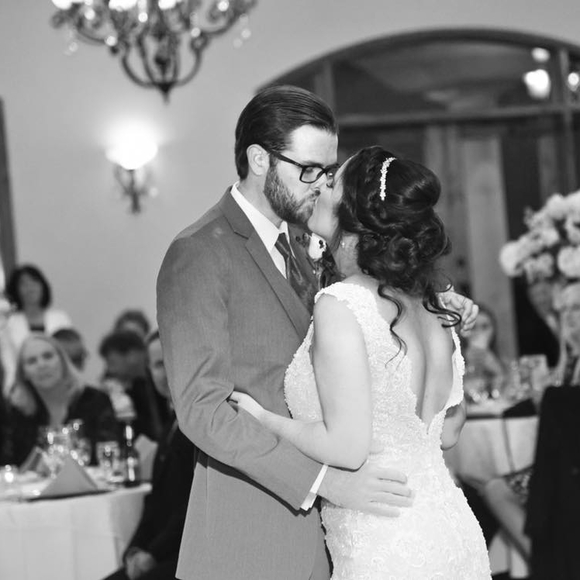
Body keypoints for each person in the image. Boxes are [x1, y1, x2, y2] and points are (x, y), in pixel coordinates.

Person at [157, 85, 478, 580]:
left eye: (329, 171)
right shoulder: (200, 251)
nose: (321, 184)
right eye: (308, 169)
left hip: (351, 537)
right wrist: (321, 481)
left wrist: (430, 304)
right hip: (254, 537)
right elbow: (202, 409)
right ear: (259, 160)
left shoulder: (321, 246)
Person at [231, 146, 491, 578]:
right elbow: (447, 432)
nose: (320, 184)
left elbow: (346, 450)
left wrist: (263, 419)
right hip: (451, 532)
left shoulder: (342, 303)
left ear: (353, 212)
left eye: (332, 181)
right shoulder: (432, 306)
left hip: (388, 546)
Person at [102, 330, 196, 580]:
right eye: (157, 365)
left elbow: (193, 504)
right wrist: (134, 550)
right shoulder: (172, 423)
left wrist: (153, 554)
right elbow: (155, 503)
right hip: (167, 550)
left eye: (171, 360)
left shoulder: (199, 425)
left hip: (190, 554)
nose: (166, 372)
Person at [2, 334, 118, 466]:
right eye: (32, 361)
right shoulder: (17, 412)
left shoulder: (94, 400)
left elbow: (109, 453)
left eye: (48, 356)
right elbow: (9, 465)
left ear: (63, 362)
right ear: (24, 374)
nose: (42, 365)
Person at [99, 330, 168, 441]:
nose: (110, 370)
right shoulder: (133, 388)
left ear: (132, 355)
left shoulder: (163, 381)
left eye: (112, 362)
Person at [462, 304, 506, 401]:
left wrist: (497, 370)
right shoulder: (453, 363)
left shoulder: (503, 361)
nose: (479, 332)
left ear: (494, 330)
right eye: (473, 327)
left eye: (485, 327)